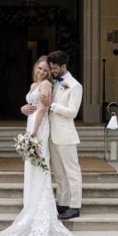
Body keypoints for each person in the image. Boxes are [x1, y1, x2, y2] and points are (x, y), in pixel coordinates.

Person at [0, 57, 85, 236]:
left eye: (49, 69)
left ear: (59, 67)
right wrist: (23, 109)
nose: (45, 71)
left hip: (47, 129)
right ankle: (45, 202)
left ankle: (72, 205)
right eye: (42, 68)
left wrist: (33, 132)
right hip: (39, 127)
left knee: (63, 169)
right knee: (48, 170)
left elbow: (55, 110)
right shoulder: (40, 84)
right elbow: (34, 104)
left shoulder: (69, 85)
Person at [39, 50, 83, 220]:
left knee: (72, 172)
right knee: (58, 173)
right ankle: (62, 203)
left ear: (64, 66)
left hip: (66, 135)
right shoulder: (54, 83)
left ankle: (75, 206)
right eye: (51, 67)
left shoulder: (75, 86)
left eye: (55, 67)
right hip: (51, 135)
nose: (53, 70)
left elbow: (72, 112)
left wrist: (52, 106)